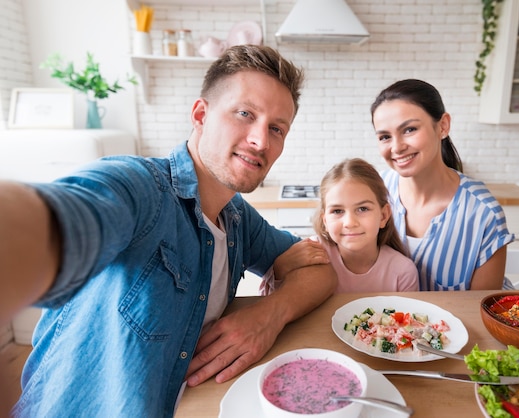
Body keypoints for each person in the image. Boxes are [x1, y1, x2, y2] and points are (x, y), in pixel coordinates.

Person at [0, 45, 337, 417]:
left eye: (277, 128)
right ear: (200, 115)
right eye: (245, 114)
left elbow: (318, 270)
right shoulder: (139, 188)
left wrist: (268, 314)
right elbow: (44, 225)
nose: (261, 141)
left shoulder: (236, 216)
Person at [370, 79, 514, 291]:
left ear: (443, 126)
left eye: (409, 129)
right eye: (385, 137)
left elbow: (480, 307)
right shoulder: (374, 191)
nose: (397, 147)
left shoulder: (483, 212)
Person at [262, 158, 418, 294]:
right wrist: (280, 268)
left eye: (362, 209)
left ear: (383, 216)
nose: (350, 222)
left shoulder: (402, 272)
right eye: (337, 211)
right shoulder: (312, 254)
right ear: (325, 220)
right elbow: (271, 307)